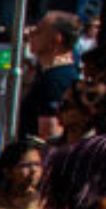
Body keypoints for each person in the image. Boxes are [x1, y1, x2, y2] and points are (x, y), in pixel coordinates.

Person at [19, 11, 81, 142]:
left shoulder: (56, 80)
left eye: (39, 31)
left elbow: (49, 135)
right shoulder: (48, 73)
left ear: (56, 39)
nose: (30, 34)